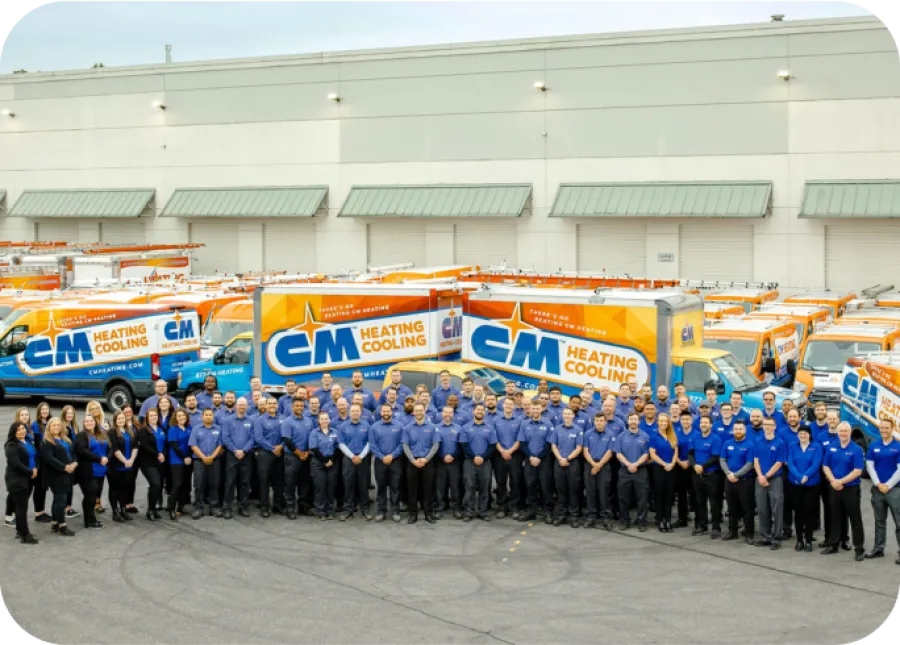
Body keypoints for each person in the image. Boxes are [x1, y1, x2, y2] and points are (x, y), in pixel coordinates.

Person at [821, 422, 866, 561]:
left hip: (851, 488)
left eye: (846, 431)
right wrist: (833, 480)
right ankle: (833, 544)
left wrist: (840, 482)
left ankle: (859, 548)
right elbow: (825, 465)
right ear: (838, 432)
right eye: (841, 431)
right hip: (834, 487)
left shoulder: (856, 449)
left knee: (855, 518)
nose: (843, 434)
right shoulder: (831, 447)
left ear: (850, 432)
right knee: (835, 516)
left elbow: (857, 471)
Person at [864, 418, 900, 563]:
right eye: (882, 428)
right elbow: (870, 466)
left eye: (887, 428)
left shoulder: (898, 446)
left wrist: (888, 485)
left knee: (899, 522)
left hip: (894, 489)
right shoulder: (874, 445)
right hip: (878, 489)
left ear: (892, 428)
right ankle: (878, 548)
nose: (884, 430)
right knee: (879, 521)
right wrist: (878, 483)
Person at [787, 425, 824, 552]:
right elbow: (790, 463)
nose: (803, 435)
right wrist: (798, 476)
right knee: (798, 513)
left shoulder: (816, 447)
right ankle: (799, 540)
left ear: (810, 435)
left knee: (810, 512)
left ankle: (808, 540)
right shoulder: (792, 445)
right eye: (800, 433)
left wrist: (806, 476)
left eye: (805, 433)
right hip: (796, 484)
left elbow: (816, 463)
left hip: (811, 485)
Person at [719, 420, 756, 544]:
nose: (738, 431)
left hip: (745, 481)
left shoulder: (750, 444)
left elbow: (750, 464)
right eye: (736, 429)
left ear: (744, 430)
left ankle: (749, 533)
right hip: (729, 480)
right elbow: (722, 460)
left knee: (747, 508)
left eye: (740, 429)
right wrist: (728, 474)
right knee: (732, 507)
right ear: (733, 430)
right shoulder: (727, 443)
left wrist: (736, 475)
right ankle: (732, 531)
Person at [402, 403, 439, 524]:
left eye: (420, 410)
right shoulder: (407, 428)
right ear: (413, 412)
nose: (418, 412)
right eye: (416, 410)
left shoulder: (432, 427)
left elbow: (436, 444)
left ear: (424, 411)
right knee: (412, 489)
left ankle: (429, 514)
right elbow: (405, 445)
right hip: (412, 462)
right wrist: (413, 460)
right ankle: (413, 514)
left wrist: (426, 459)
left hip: (427, 462)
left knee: (428, 489)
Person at [754, 418, 787, 550]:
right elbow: (755, 460)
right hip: (760, 478)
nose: (767, 427)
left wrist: (766, 476)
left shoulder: (780, 442)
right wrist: (760, 476)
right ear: (763, 427)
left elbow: (779, 462)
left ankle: (777, 537)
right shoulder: (758, 441)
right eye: (765, 425)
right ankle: (765, 536)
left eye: (770, 425)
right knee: (762, 508)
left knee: (777, 507)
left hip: (775, 479)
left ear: (775, 427)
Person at [517, 403, 553, 524]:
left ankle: (548, 511)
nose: (535, 410)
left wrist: (539, 457)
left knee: (545, 485)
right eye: (533, 408)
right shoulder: (524, 424)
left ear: (542, 408)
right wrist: (531, 456)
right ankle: (531, 510)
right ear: (530, 410)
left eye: (538, 408)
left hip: (544, 460)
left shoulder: (548, 424)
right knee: (530, 484)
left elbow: (549, 444)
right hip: (529, 459)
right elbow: (522, 443)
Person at [460, 404, 497, 522]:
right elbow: (464, 445)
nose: (480, 412)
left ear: (484, 413)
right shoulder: (466, 427)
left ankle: (483, 511)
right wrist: (474, 456)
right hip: (470, 461)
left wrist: (483, 457)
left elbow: (492, 445)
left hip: (485, 462)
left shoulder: (490, 428)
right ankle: (469, 511)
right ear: (473, 412)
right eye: (478, 410)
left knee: (484, 487)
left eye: (482, 410)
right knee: (469, 487)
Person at [41, 417, 77, 537]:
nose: (56, 427)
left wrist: (74, 463)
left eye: (58, 425)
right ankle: (62, 526)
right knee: (61, 500)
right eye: (53, 425)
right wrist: (64, 467)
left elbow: (72, 452)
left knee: (58, 499)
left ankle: (55, 523)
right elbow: (49, 459)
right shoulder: (46, 441)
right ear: (49, 428)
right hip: (55, 475)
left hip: (67, 472)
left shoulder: (65, 439)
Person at [689, 415, 724, 538]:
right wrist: (695, 466)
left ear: (710, 425)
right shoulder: (695, 437)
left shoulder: (716, 439)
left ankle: (716, 527)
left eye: (706, 423)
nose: (703, 425)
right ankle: (702, 526)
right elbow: (690, 454)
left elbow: (715, 457)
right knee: (699, 501)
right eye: (701, 423)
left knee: (714, 502)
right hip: (697, 474)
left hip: (712, 475)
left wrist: (702, 466)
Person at [369, 404, 405, 522]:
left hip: (395, 461)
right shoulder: (374, 427)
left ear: (391, 412)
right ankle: (381, 511)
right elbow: (373, 445)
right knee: (381, 487)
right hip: (380, 461)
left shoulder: (399, 426)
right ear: (380, 413)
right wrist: (382, 456)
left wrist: (392, 455)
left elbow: (402, 443)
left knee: (395, 486)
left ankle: (395, 511)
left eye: (387, 411)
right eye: (383, 411)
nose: (385, 413)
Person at [222, 397, 257, 519]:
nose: (242, 407)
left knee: (244, 482)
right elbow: (225, 438)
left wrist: (244, 450)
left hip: (246, 456)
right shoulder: (227, 420)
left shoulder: (251, 421)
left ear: (247, 406)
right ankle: (227, 508)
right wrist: (235, 450)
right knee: (230, 482)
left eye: (244, 405)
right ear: (236, 405)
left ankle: (243, 507)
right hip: (232, 455)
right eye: (240, 404)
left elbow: (253, 438)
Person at [616, 412, 650, 531]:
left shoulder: (645, 436)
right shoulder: (621, 436)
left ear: (639, 421)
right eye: (631, 419)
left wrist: (635, 464)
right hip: (625, 470)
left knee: (642, 498)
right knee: (623, 497)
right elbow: (618, 453)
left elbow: (646, 454)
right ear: (628, 421)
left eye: (635, 419)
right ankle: (625, 520)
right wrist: (629, 464)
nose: (633, 421)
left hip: (640, 470)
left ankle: (642, 521)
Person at [5, 422, 39, 543]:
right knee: (21, 507)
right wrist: (30, 472)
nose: (22, 431)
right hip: (17, 479)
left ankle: (20, 531)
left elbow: (35, 456)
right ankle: (25, 535)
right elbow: (16, 464)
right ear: (14, 432)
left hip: (29, 478)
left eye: (23, 428)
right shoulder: (11, 445)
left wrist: (35, 469)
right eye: (18, 430)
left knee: (23, 505)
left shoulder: (28, 441)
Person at [338, 403, 372, 521]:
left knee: (363, 486)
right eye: (352, 411)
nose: (355, 413)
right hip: (348, 459)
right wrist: (352, 456)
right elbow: (341, 443)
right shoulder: (343, 426)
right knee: (348, 485)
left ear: (361, 412)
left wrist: (361, 456)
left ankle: (365, 509)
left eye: (357, 411)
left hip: (363, 460)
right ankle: (348, 510)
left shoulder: (367, 426)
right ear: (349, 412)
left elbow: (369, 443)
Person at [550, 408, 583, 528]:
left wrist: (567, 459)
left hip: (572, 463)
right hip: (559, 462)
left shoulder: (578, 430)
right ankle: (562, 515)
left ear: (573, 416)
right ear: (562, 416)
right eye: (565, 414)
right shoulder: (557, 429)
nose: (567, 416)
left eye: (569, 414)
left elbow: (579, 448)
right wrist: (560, 459)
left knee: (573, 490)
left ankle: (573, 516)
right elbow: (553, 445)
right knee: (561, 489)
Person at [189, 408, 224, 519]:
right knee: (199, 484)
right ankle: (198, 507)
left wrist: (212, 457)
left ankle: (214, 507)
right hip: (200, 461)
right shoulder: (196, 429)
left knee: (214, 483)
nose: (208, 416)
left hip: (215, 461)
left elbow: (220, 445)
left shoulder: (218, 429)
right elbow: (193, 445)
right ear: (202, 417)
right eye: (206, 415)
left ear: (213, 417)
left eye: (210, 415)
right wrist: (204, 457)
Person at [254, 397, 286, 518]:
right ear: (266, 406)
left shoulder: (283, 419)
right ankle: (264, 507)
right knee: (264, 481)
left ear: (277, 405)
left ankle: (278, 505)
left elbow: (287, 435)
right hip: (265, 454)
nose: (272, 405)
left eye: (274, 403)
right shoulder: (260, 420)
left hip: (280, 453)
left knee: (279, 481)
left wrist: (281, 447)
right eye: (270, 403)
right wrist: (273, 449)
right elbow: (258, 438)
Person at [492, 398, 523, 520]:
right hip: (500, 455)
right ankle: (502, 507)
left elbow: (519, 439)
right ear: (503, 406)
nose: (509, 406)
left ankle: (514, 508)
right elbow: (494, 439)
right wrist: (503, 451)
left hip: (514, 455)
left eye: (511, 404)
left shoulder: (519, 421)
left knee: (515, 482)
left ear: (514, 406)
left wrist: (510, 451)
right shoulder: (496, 420)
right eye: (507, 404)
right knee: (500, 483)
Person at [73, 414, 105, 530]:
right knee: (90, 495)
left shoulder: (100, 433)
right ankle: (89, 520)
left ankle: (92, 518)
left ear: (95, 422)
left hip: (101, 469)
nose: (89, 423)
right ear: (84, 423)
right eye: (87, 421)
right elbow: (82, 451)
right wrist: (99, 459)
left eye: (91, 421)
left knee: (95, 494)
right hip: (87, 470)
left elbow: (109, 446)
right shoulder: (81, 435)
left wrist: (106, 457)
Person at [583, 414, 614, 530]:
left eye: (601, 420)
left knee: (603, 491)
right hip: (590, 464)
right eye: (597, 420)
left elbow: (609, 452)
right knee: (590, 491)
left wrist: (599, 465)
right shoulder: (587, 434)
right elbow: (585, 451)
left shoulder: (610, 434)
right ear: (593, 421)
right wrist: (593, 464)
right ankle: (591, 516)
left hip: (604, 465)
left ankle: (605, 517)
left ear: (605, 421)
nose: (599, 423)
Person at [107, 411, 138, 523]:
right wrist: (125, 460)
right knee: (115, 489)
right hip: (116, 466)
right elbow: (115, 449)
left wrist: (131, 460)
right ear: (115, 420)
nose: (121, 420)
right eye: (118, 419)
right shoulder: (112, 432)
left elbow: (135, 446)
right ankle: (115, 512)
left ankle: (123, 510)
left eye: (122, 418)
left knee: (125, 489)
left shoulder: (130, 430)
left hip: (129, 466)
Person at [434, 406, 464, 520]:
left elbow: (460, 446)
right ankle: (440, 507)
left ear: (453, 414)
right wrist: (443, 456)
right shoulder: (436, 428)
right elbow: (435, 445)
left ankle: (456, 508)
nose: (447, 414)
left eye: (450, 412)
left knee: (455, 485)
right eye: (445, 412)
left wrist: (452, 455)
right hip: (440, 461)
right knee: (440, 485)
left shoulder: (459, 428)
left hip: (454, 461)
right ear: (442, 414)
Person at [649, 413, 678, 533]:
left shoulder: (672, 435)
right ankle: (661, 521)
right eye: (661, 421)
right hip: (659, 469)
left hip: (671, 469)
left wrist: (672, 463)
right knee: (660, 496)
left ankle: (668, 520)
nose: (663, 423)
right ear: (658, 422)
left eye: (665, 421)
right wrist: (664, 464)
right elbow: (652, 454)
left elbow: (676, 451)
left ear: (668, 423)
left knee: (669, 496)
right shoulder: (654, 436)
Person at [136, 408, 165, 522]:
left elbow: (166, 444)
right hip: (148, 462)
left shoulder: (161, 428)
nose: (153, 417)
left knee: (159, 485)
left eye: (155, 415)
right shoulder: (143, 430)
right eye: (151, 415)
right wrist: (158, 454)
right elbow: (144, 445)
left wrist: (163, 455)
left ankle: (154, 510)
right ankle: (150, 510)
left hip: (161, 461)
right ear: (147, 418)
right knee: (155, 484)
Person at [309, 412, 340, 520]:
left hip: (332, 463)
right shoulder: (314, 433)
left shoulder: (335, 432)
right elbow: (314, 449)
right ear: (318, 421)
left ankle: (330, 510)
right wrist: (325, 461)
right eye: (322, 419)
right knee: (320, 487)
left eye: (326, 418)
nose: (324, 421)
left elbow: (338, 448)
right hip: (318, 463)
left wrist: (331, 460)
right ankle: (320, 511)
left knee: (331, 487)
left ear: (329, 420)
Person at [167, 409, 193, 520]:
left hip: (188, 460)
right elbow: (174, 446)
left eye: (183, 415)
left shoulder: (189, 428)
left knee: (185, 485)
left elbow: (192, 443)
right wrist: (184, 457)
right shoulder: (173, 429)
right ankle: (171, 509)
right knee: (177, 485)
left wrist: (190, 457)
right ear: (175, 418)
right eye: (179, 416)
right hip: (177, 460)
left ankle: (180, 507)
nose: (181, 417)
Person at [674, 410, 696, 528]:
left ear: (691, 420)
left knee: (694, 493)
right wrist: (680, 462)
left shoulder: (697, 434)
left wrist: (689, 462)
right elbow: (673, 451)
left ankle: (698, 519)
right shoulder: (676, 434)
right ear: (680, 421)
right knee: (681, 494)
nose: (685, 421)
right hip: (680, 467)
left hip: (693, 467)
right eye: (683, 420)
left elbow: (698, 451)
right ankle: (682, 519)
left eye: (687, 419)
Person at [31, 403, 51, 524]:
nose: (44, 411)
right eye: (42, 410)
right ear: (39, 411)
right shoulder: (36, 424)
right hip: (40, 460)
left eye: (46, 409)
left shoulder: (50, 422)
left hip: (47, 459)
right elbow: (39, 445)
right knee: (39, 487)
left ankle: (42, 511)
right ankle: (38, 513)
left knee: (43, 487)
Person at [60, 405, 80, 519]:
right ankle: (65, 508)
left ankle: (68, 507)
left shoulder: (74, 426)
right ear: (63, 414)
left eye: (71, 413)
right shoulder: (62, 427)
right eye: (68, 413)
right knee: (66, 485)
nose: (70, 415)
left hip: (74, 458)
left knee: (70, 485)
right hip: (67, 459)